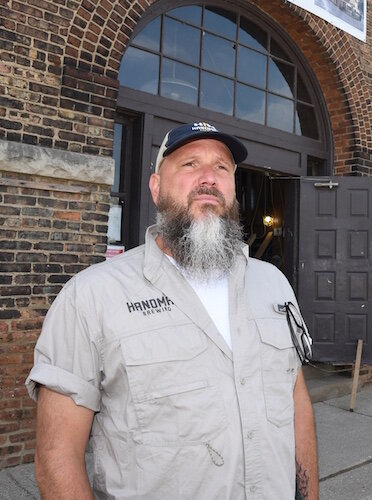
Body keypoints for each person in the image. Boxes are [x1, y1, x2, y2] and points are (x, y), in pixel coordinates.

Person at [26, 121, 318, 499]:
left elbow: (296, 403)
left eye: (222, 167)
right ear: (156, 187)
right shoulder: (91, 295)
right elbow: (56, 457)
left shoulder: (274, 284)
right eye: (190, 164)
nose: (209, 178)